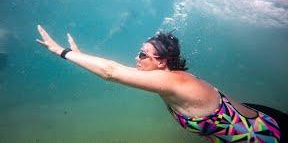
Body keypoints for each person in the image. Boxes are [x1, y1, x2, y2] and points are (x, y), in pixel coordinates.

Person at [36, 25, 286, 142]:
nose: (137, 58)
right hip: (260, 119)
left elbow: (111, 72)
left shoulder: (174, 82)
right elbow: (116, 72)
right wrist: (82, 57)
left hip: (270, 135)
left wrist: (63, 52)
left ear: (162, 61)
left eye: (143, 54)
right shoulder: (167, 80)